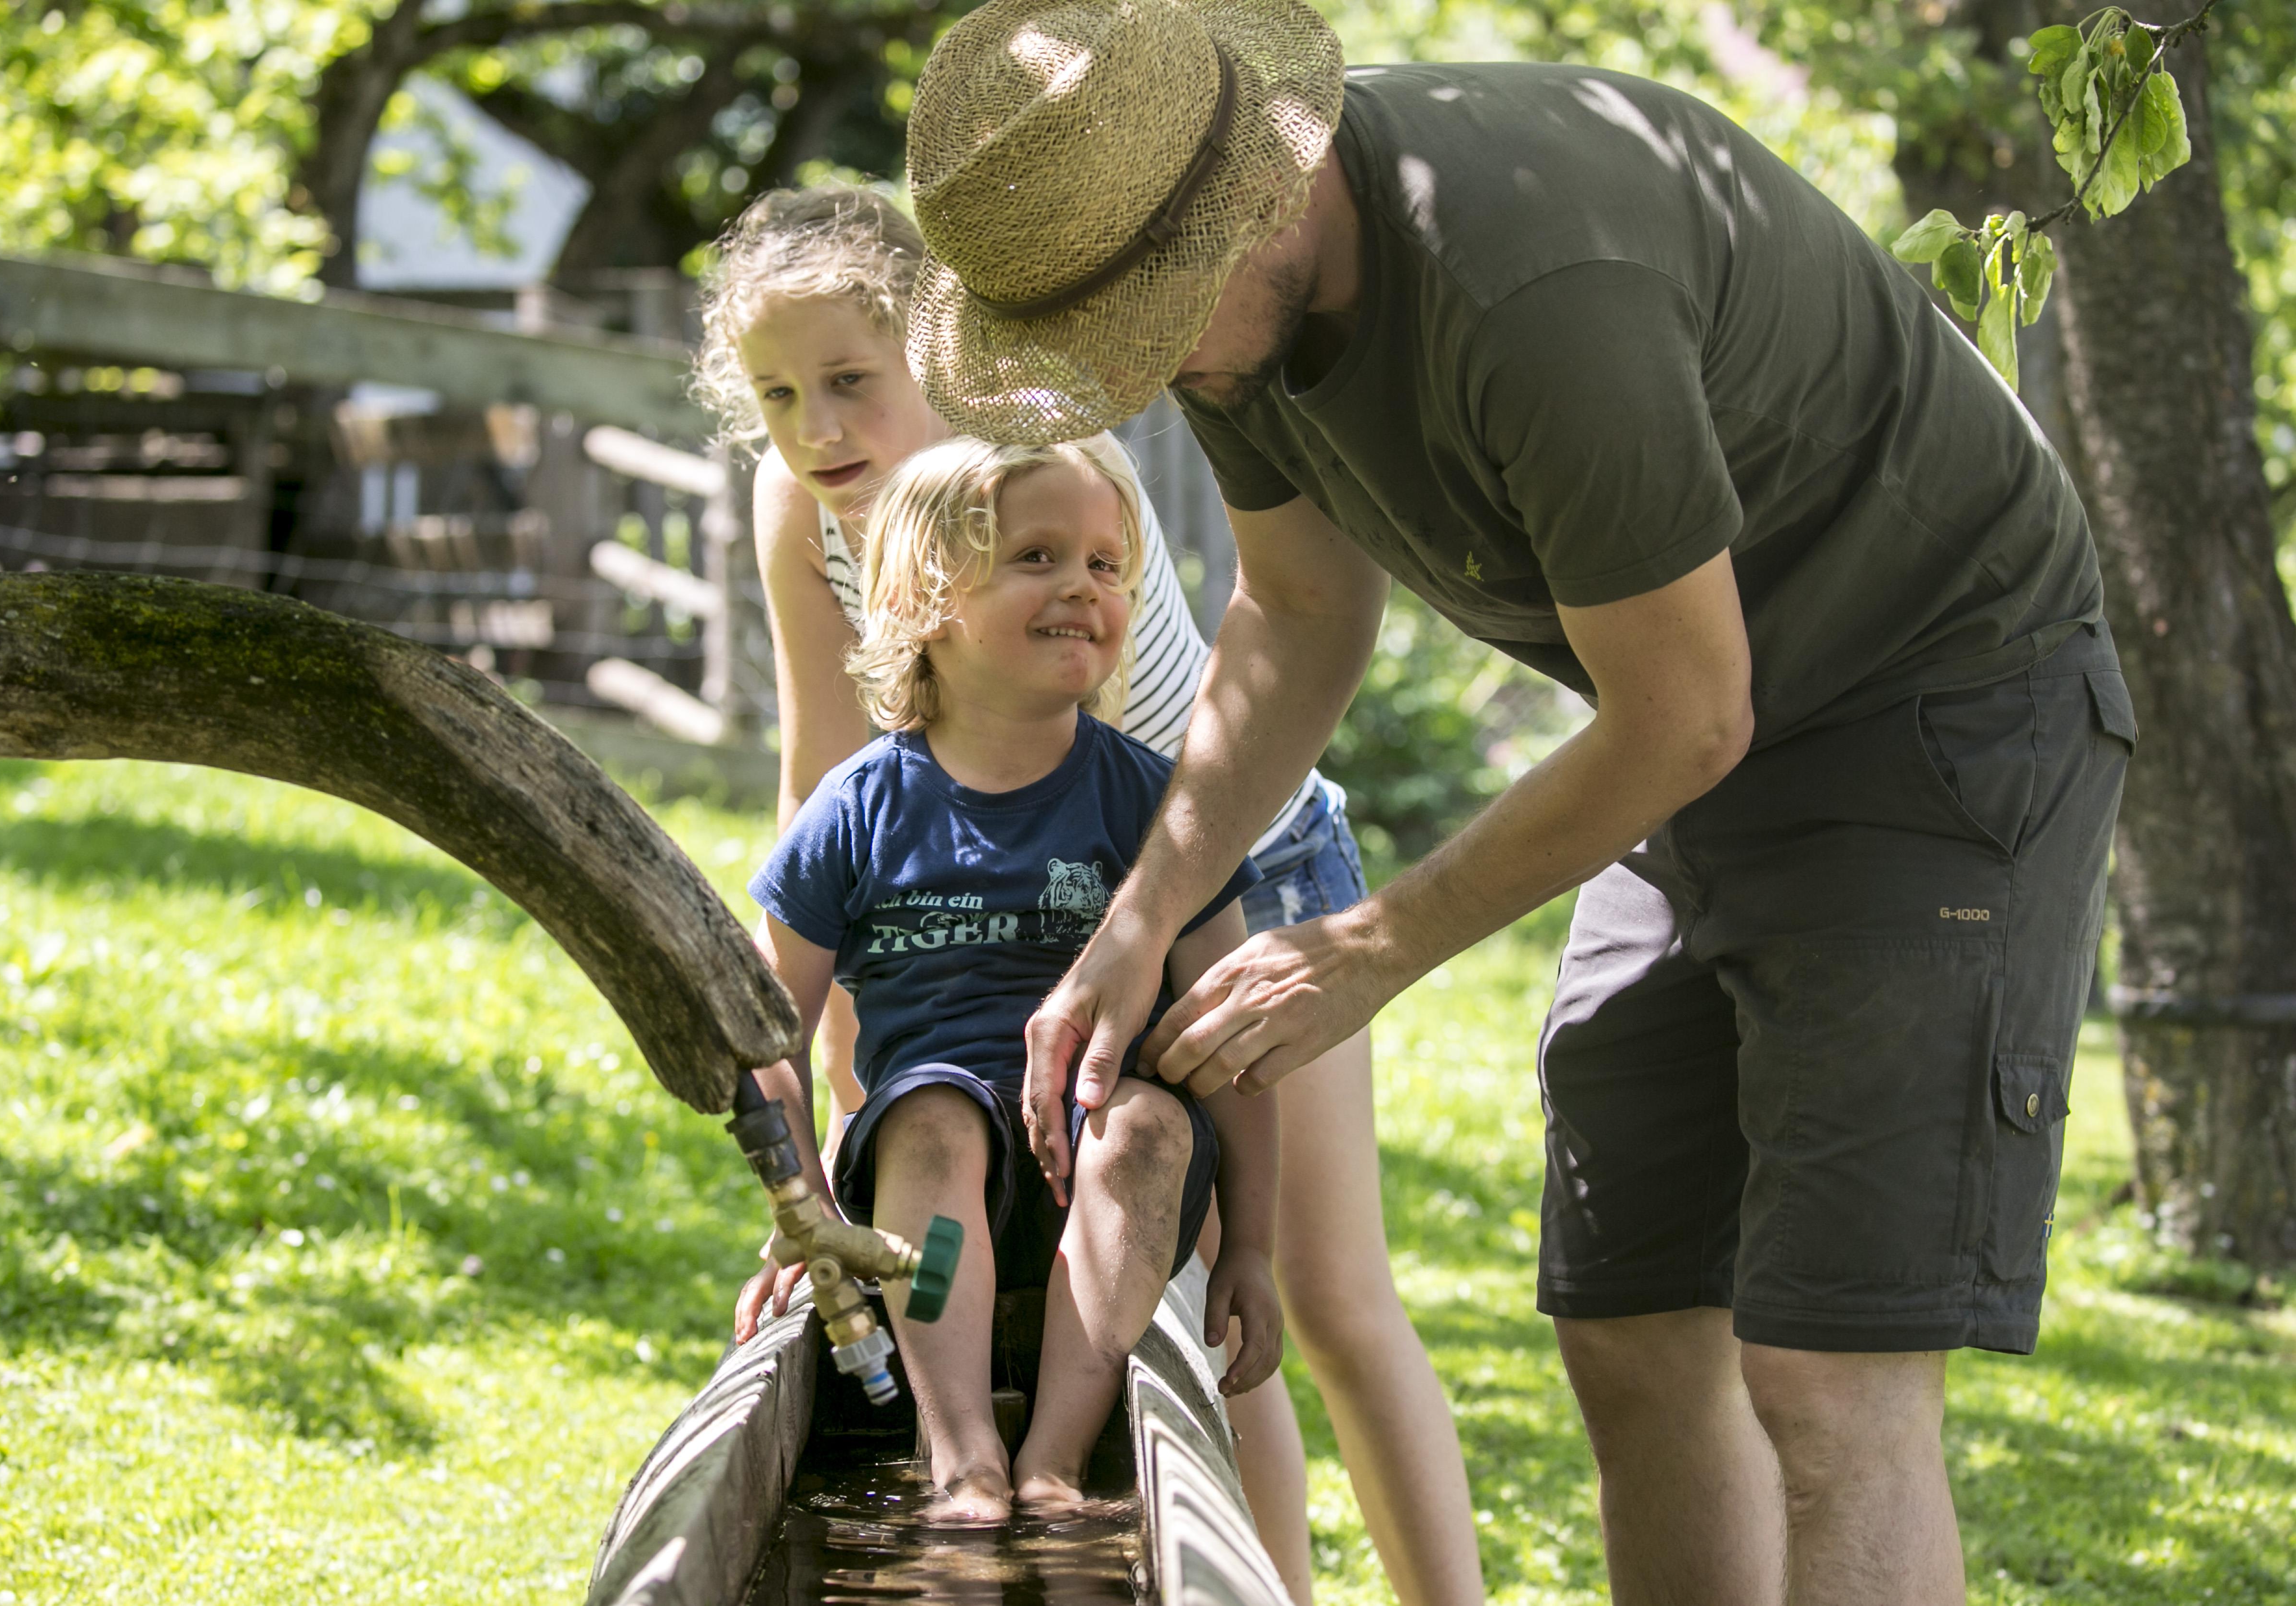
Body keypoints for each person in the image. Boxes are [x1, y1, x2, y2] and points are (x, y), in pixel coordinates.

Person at [900, 3, 2135, 1604]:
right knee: (1633, 1319)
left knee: (1831, 1375)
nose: (1148, 369)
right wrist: (1141, 921)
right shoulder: (1221, 295)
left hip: (1930, 716)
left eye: (1149, 323)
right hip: (1698, 737)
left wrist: (1368, 945)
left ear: (1258, 192)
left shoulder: (1537, 279)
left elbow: (1687, 711)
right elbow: (1299, 611)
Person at [704, 186, 1487, 1603]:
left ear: (934, 354)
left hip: (1221, 859)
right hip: (996, 893)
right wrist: (845, 1010)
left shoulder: (1044, 464)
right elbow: (826, 757)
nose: (817, 428)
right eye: (779, 395)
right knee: (975, 1171)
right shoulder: (802, 509)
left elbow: (1115, 776)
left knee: (1310, 1288)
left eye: (851, 380)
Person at [742, 432, 1281, 1523]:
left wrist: (1255, 1246)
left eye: (1104, 563)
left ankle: (1056, 1454)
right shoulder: (859, 808)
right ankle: (961, 1453)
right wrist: (805, 1214)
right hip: (927, 1212)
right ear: (924, 598)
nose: (1084, 586)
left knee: (1146, 1121)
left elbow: (1228, 1037)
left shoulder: (1158, 808)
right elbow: (764, 1038)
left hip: (1105, 1174)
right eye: (1038, 556)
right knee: (934, 1115)